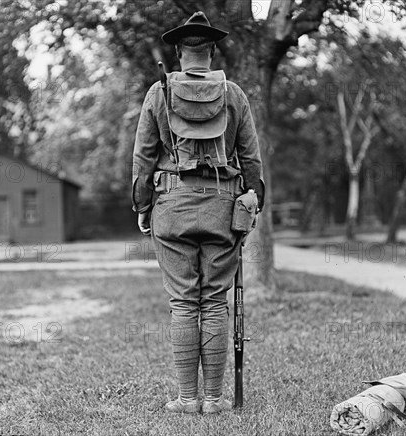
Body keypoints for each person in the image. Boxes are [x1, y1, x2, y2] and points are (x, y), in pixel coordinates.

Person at [131, 11, 264, 414]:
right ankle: (214, 400)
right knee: (215, 302)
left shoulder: (159, 92)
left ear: (177, 51)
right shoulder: (234, 94)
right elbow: (252, 162)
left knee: (184, 304)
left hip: (171, 208)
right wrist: (254, 196)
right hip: (223, 209)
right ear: (212, 51)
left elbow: (143, 157)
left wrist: (142, 206)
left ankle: (188, 399)